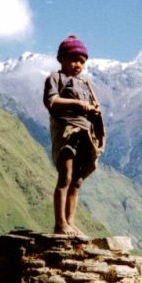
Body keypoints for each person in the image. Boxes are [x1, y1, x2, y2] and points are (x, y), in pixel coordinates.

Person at [43, 35, 106, 236]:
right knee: (66, 176)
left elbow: (94, 107)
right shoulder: (55, 79)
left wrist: (93, 111)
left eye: (81, 61)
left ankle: (70, 222)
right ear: (61, 59)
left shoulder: (85, 84)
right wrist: (78, 105)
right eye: (73, 59)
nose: (77, 65)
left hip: (84, 135)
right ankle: (59, 223)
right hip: (66, 132)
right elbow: (51, 101)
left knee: (77, 180)